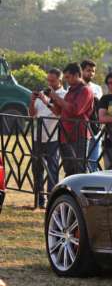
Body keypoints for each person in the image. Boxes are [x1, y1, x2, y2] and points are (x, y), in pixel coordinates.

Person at [28, 68, 67, 208]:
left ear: (60, 80)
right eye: (48, 80)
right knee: (36, 169)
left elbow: (58, 113)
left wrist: (46, 100)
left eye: (52, 80)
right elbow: (32, 114)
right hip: (38, 137)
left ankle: (52, 200)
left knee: (52, 170)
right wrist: (32, 101)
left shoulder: (64, 94)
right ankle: (39, 200)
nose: (49, 83)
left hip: (54, 137)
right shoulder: (43, 93)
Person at [48, 63, 94, 177]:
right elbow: (60, 111)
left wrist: (56, 97)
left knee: (80, 170)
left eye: (68, 77)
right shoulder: (70, 91)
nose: (66, 80)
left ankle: (80, 195)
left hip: (79, 134)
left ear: (77, 75)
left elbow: (76, 110)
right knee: (69, 170)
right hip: (65, 134)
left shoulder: (85, 90)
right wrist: (48, 99)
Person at [81, 60, 103, 172]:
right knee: (82, 160)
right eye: (88, 70)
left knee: (94, 160)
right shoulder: (76, 87)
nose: (91, 73)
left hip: (96, 127)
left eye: (93, 71)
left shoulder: (97, 88)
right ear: (82, 71)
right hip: (82, 128)